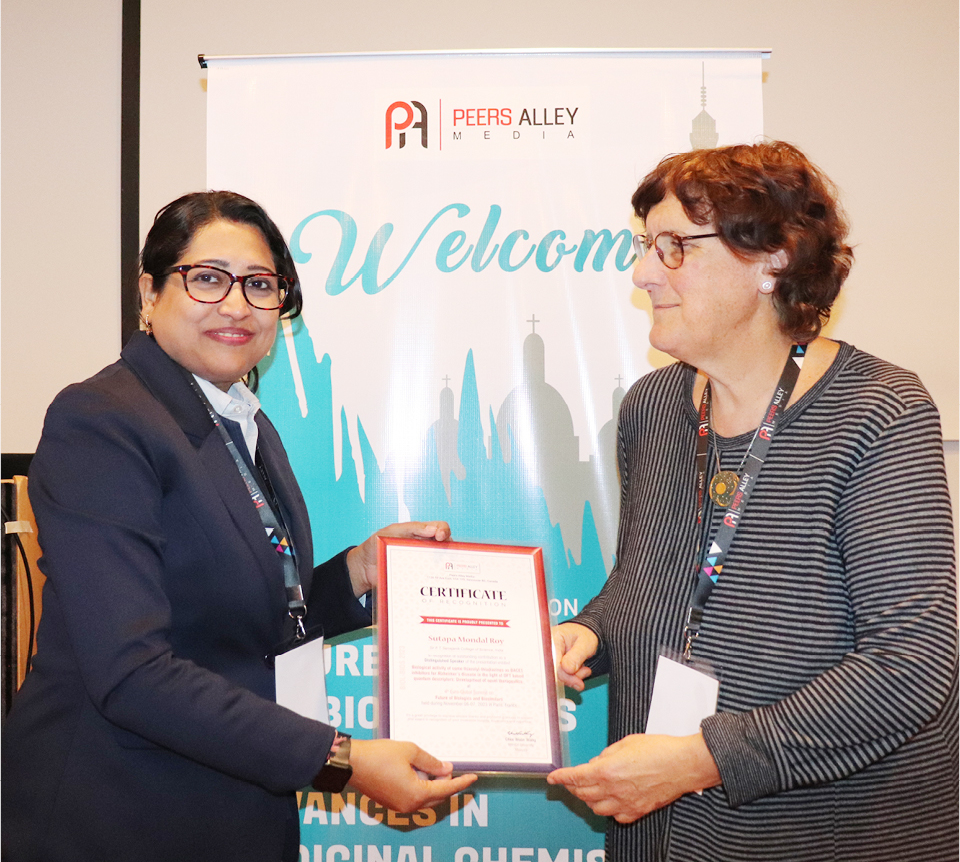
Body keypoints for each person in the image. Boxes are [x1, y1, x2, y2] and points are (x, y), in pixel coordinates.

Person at [2, 191, 477, 862]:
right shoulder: (103, 422)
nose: (235, 305)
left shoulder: (241, 420)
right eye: (206, 278)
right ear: (149, 292)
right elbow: (131, 671)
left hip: (232, 805)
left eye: (259, 284)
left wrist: (356, 573)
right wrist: (341, 760)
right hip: (120, 814)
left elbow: (248, 620)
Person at [547, 142, 958, 861]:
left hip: (820, 837)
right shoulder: (652, 408)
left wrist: (702, 759)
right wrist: (592, 631)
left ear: (773, 259)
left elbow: (911, 663)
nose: (643, 273)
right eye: (646, 245)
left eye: (674, 247)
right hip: (659, 835)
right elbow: (654, 584)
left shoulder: (878, 413)